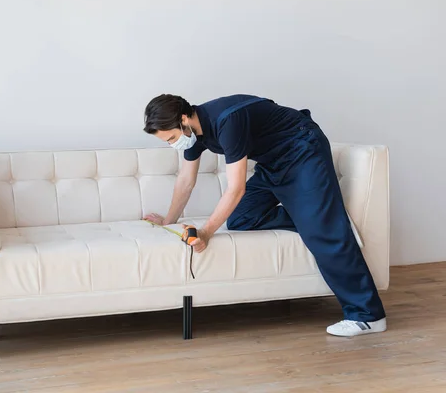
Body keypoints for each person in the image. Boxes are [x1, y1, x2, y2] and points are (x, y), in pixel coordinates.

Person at [142, 93, 386, 337]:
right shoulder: (193, 134)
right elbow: (185, 181)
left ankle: (367, 316)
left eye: (171, 137)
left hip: (303, 151)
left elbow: (236, 188)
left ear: (183, 120)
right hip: (273, 163)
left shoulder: (228, 122)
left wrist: (205, 232)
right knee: (240, 218)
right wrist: (168, 222)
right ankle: (323, 217)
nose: (173, 144)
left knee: (321, 231)